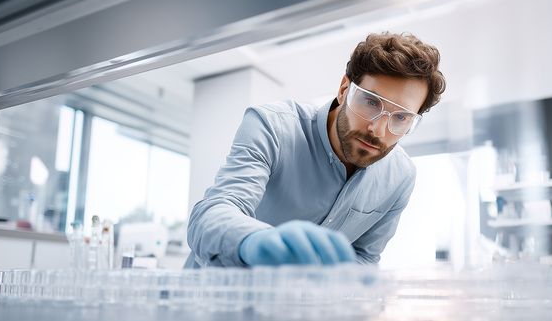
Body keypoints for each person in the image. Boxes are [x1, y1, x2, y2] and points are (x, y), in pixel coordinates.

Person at [186, 32, 445, 267]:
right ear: (345, 89)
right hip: (210, 305)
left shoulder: (400, 176)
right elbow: (210, 215)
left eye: (401, 117)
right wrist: (255, 242)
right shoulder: (273, 126)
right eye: (370, 102)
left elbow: (364, 256)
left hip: (294, 315)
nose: (378, 130)